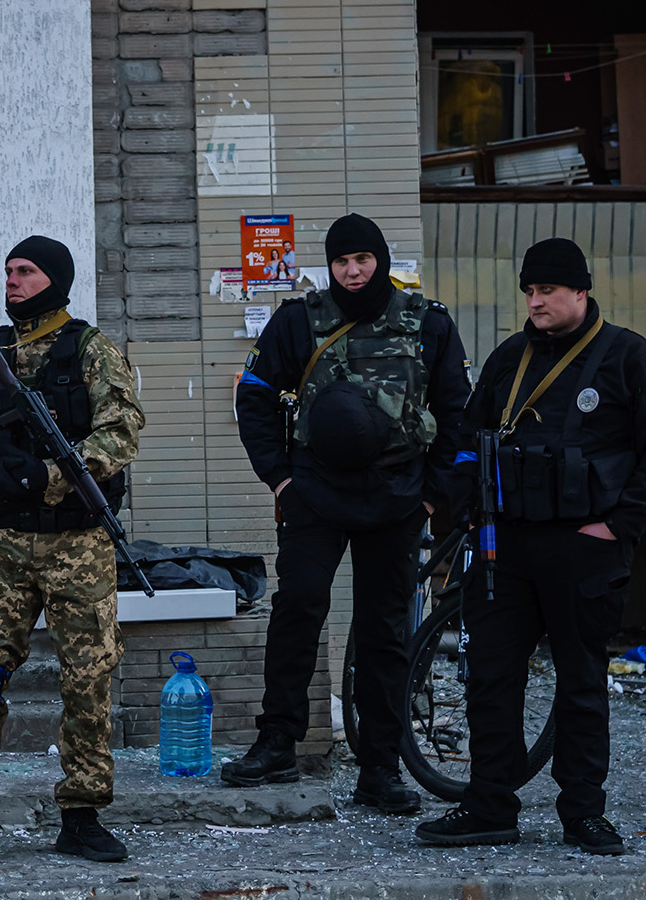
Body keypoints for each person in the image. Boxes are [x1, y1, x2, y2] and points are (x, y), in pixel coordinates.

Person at [227, 213, 471, 813]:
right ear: (329, 265)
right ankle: (278, 742)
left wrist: (433, 494)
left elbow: (458, 411)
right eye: (342, 261)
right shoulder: (298, 321)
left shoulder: (428, 324)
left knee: (384, 632)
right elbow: (254, 397)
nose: (353, 271)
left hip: (397, 496)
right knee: (297, 612)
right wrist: (280, 480)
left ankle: (381, 767)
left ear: (379, 260)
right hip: (315, 492)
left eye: (362, 259)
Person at [417, 238, 646, 856]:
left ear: (581, 291)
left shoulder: (626, 356)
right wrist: (464, 512)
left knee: (579, 682)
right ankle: (489, 805)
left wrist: (620, 525)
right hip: (504, 545)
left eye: (547, 291)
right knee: (491, 680)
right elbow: (468, 438)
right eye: (530, 291)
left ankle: (583, 814)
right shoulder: (509, 357)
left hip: (583, 546)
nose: (536, 301)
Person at [0, 235, 144, 865]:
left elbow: (123, 429)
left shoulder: (92, 350)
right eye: (9, 271)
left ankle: (81, 815)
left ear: (55, 280)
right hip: (7, 546)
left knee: (88, 678)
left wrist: (50, 477)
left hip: (79, 542)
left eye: (26, 272)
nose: (13, 281)